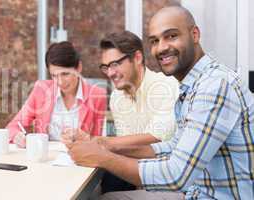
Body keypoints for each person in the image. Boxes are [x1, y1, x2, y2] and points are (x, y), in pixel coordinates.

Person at [67, 6, 254, 200]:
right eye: (155, 41)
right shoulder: (192, 87)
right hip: (195, 192)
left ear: (195, 34)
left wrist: (102, 157)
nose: (162, 47)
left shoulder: (214, 86)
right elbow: (172, 147)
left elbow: (177, 175)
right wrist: (107, 144)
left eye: (171, 36)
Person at [63, 31, 178, 193]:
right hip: (137, 174)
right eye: (106, 67)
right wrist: (92, 141)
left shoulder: (166, 86)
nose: (110, 73)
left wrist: (100, 142)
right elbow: (127, 146)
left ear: (137, 58)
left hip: (167, 179)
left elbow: (157, 137)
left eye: (115, 64)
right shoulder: (117, 97)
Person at [6, 41, 107, 147]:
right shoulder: (41, 90)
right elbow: (13, 126)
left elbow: (98, 142)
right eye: (54, 76)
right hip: (45, 158)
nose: (60, 82)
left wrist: (84, 138)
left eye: (65, 74)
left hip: (79, 159)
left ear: (79, 68)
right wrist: (17, 136)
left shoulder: (97, 95)